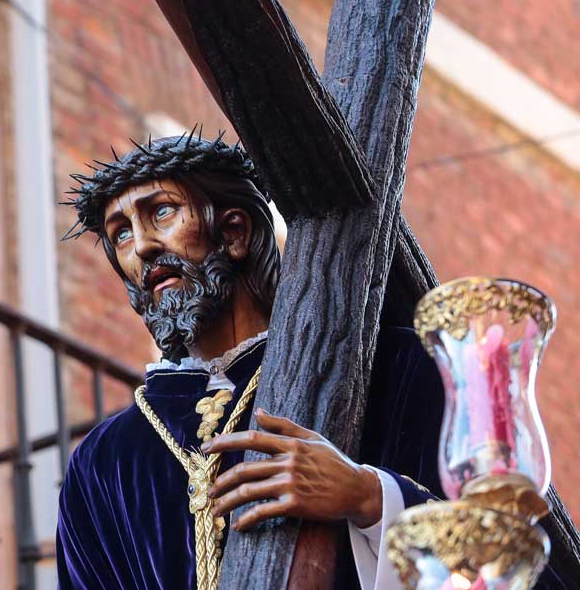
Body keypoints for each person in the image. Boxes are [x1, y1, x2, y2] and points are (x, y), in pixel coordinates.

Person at [55, 134, 571, 589]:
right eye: (121, 232)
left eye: (161, 213)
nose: (142, 246)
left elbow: (525, 566)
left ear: (234, 232)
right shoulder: (106, 461)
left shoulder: (398, 370)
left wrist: (370, 499)